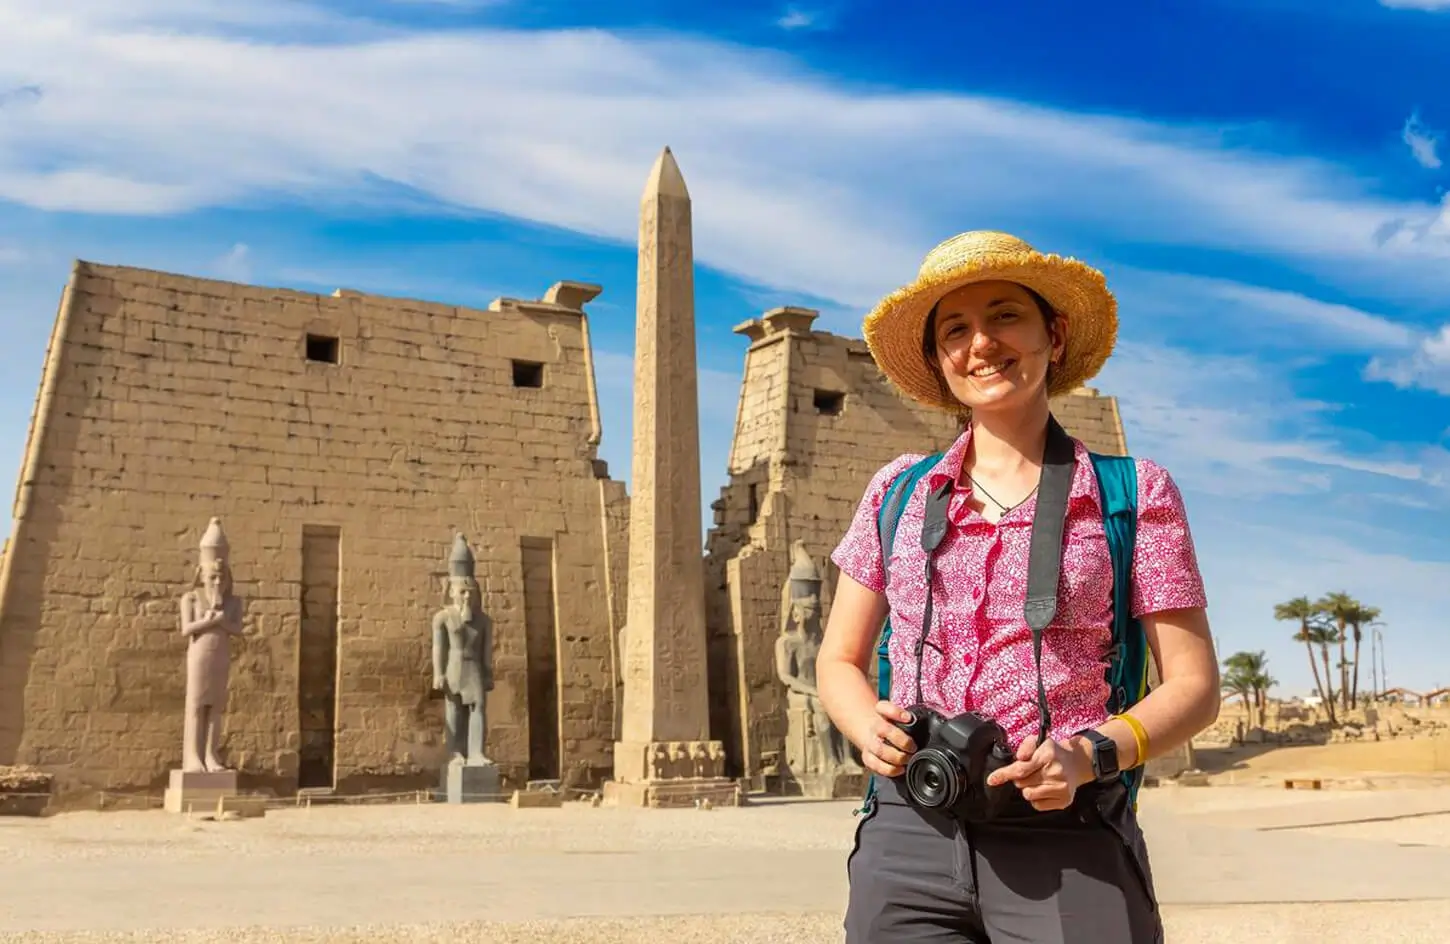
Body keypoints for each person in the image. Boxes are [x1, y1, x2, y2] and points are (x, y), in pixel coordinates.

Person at [817, 230, 1221, 943]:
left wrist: (1089, 752)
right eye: (956, 329)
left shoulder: (1135, 493)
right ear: (940, 361)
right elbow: (838, 660)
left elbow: (1193, 688)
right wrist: (864, 725)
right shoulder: (897, 493)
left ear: (1053, 335)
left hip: (1066, 836)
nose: (981, 343)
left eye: (1005, 315)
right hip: (910, 828)